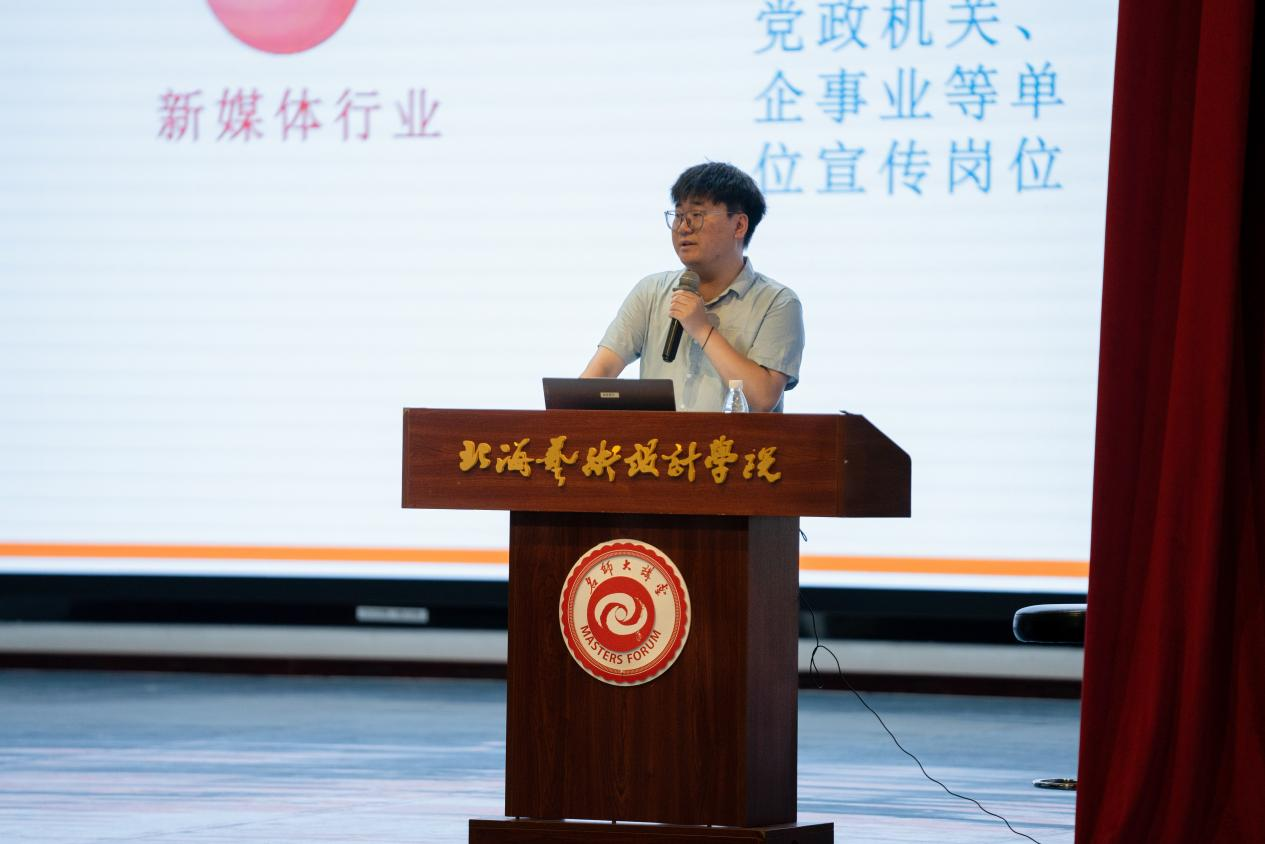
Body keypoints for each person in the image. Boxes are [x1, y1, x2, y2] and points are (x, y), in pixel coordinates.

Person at [580, 162, 804, 412]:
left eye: (696, 216)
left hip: (731, 439)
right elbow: (601, 370)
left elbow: (763, 399)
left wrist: (702, 329)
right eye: (678, 215)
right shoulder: (651, 292)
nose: (683, 227)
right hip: (658, 439)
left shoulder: (778, 302)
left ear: (739, 225)